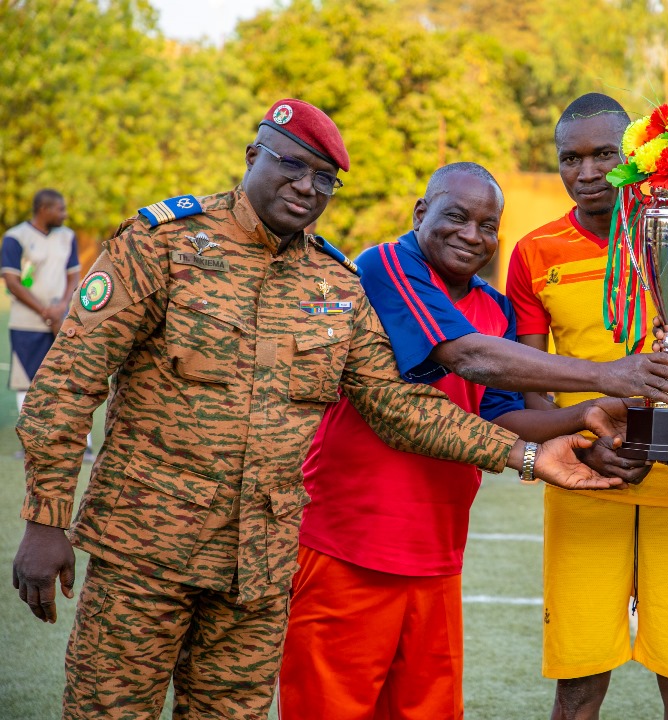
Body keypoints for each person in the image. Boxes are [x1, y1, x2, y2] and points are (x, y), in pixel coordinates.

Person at [9, 99, 632, 720]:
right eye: (292, 167)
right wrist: (45, 518)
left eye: (325, 178)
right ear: (254, 157)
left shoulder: (333, 283)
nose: (307, 188)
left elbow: (399, 406)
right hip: (145, 552)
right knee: (108, 713)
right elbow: (67, 382)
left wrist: (526, 454)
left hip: (258, 569)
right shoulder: (163, 245)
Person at [278, 162, 668, 720]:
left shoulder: (494, 307)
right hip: (348, 547)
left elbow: (503, 418)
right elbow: (467, 355)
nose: (473, 235)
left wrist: (588, 415)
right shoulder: (386, 264)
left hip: (438, 553)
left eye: (488, 225)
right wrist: (608, 375)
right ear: (421, 214)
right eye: (457, 217)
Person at [505, 93, 668, 720]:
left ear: (636, 158)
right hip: (586, 476)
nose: (587, 172)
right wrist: (577, 436)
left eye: (604, 155)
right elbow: (527, 383)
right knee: (578, 681)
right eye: (571, 157)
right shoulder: (535, 252)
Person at [1, 190, 91, 460]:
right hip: (27, 323)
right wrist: (43, 310)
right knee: (27, 383)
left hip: (62, 321)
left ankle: (82, 445)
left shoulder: (67, 236)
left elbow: (73, 273)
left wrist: (61, 306)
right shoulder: (16, 237)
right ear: (43, 209)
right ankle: (33, 443)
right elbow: (12, 281)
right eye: (60, 210)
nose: (64, 215)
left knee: (73, 380)